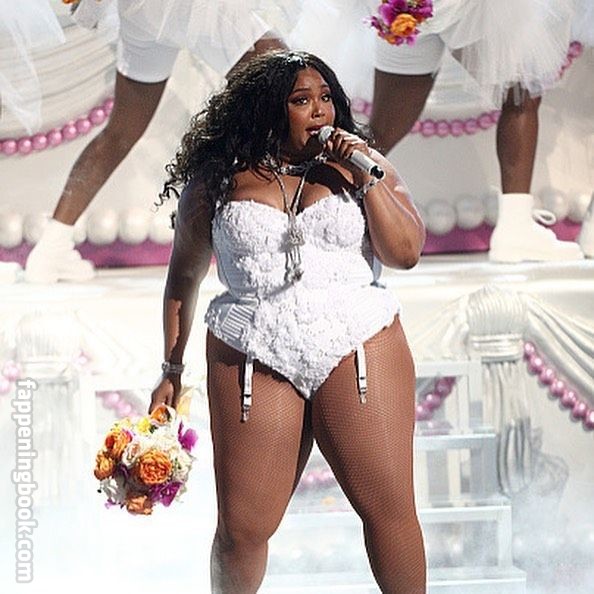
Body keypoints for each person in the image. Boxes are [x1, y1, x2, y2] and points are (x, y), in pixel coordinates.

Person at [149, 50, 427, 593]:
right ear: (267, 111)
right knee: (242, 531)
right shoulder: (217, 182)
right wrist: (170, 369)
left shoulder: (362, 167)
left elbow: (405, 252)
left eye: (326, 98)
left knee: (390, 511)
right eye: (302, 100)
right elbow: (183, 276)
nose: (319, 111)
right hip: (255, 347)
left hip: (356, 339)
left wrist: (366, 174)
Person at [24, 0, 295, 283]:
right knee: (291, 82)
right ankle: (297, 233)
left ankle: (51, 247)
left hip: (141, 14)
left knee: (120, 132)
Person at [368, 0, 584, 263]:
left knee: (381, 130)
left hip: (397, 7)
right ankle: (515, 227)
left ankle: (330, 208)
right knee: (520, 94)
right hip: (454, 6)